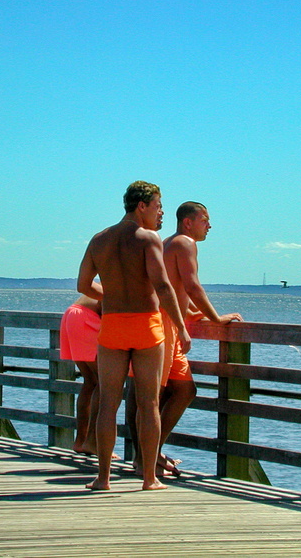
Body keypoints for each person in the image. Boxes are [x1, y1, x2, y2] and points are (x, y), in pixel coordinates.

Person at [77, 180, 190, 491]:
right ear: (142, 207)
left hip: (113, 324)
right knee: (149, 403)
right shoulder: (147, 238)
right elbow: (164, 286)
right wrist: (180, 326)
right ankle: (149, 478)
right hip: (146, 325)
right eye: (157, 206)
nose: (161, 213)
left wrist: (111, 293)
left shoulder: (99, 239)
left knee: (108, 404)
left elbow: (83, 286)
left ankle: (103, 478)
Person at [130, 200, 243, 477]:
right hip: (163, 325)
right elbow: (191, 285)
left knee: (183, 390)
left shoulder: (170, 242)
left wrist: (192, 315)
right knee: (153, 395)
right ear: (188, 222)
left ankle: (150, 453)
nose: (209, 226)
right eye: (205, 220)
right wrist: (216, 318)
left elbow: (175, 289)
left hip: (166, 321)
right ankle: (146, 458)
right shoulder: (184, 243)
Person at [59, 294, 102, 456]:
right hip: (85, 317)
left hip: (73, 314)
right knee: (105, 383)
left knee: (91, 381)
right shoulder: (130, 280)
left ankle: (81, 441)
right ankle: (92, 442)